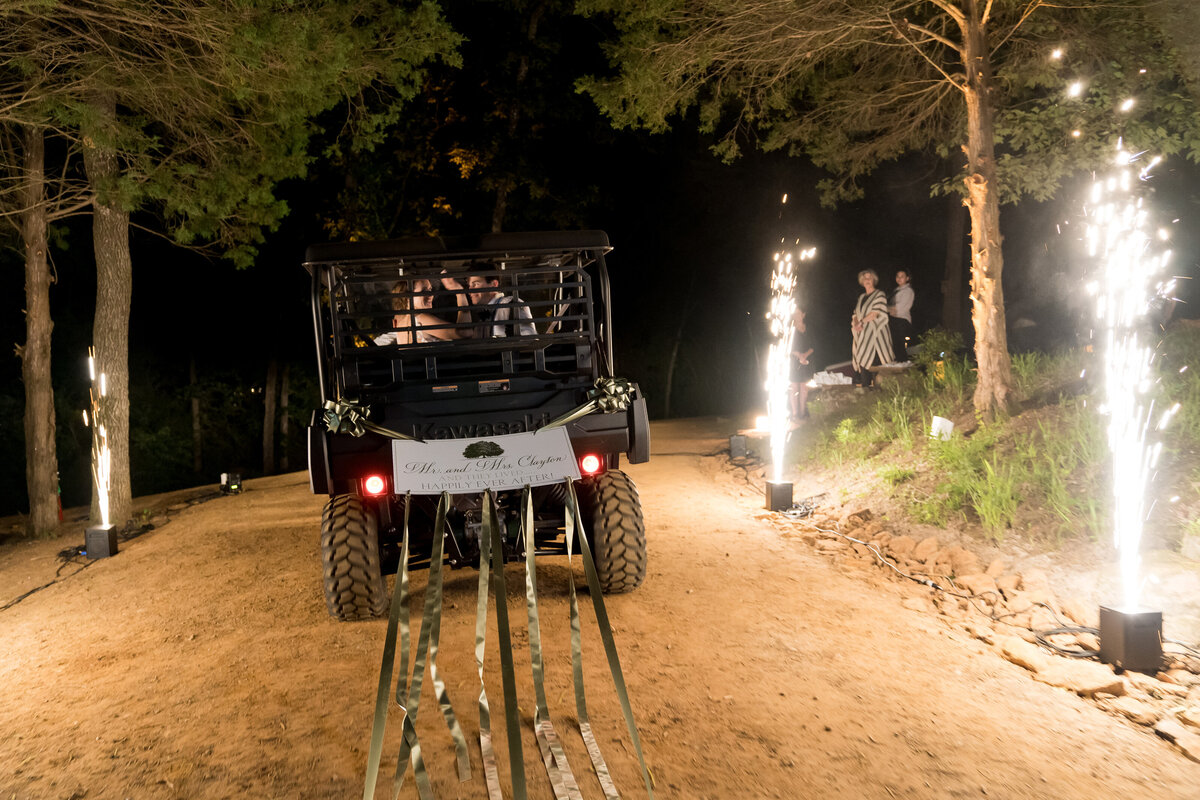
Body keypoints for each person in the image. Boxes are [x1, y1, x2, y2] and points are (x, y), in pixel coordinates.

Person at [441, 270, 536, 338]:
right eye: (470, 286)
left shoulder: (511, 304)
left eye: (476, 284)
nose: (470, 290)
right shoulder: (483, 317)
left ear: (494, 284)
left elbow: (528, 339)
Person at [850, 269, 893, 389]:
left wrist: (862, 322)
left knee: (876, 366)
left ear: (874, 280)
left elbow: (876, 313)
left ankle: (881, 392)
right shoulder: (861, 297)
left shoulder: (879, 294)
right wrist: (856, 323)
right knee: (863, 362)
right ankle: (866, 391)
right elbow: (855, 314)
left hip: (876, 338)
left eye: (869, 278)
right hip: (862, 336)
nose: (867, 280)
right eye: (864, 278)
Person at [790, 309, 814, 421]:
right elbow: (789, 346)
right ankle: (795, 414)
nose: (797, 315)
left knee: (804, 387)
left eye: (799, 313)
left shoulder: (809, 328)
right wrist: (799, 355)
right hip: (794, 361)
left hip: (807, 360)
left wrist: (805, 355)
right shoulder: (790, 329)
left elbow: (813, 345)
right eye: (795, 314)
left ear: (803, 315)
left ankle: (803, 412)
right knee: (794, 387)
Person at [887, 269, 914, 363]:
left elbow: (899, 308)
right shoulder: (896, 291)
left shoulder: (908, 291)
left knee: (899, 346)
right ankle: (899, 363)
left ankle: (904, 366)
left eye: (902, 276)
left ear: (907, 278)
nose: (899, 278)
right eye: (897, 276)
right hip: (894, 320)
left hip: (901, 321)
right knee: (894, 345)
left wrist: (884, 309)